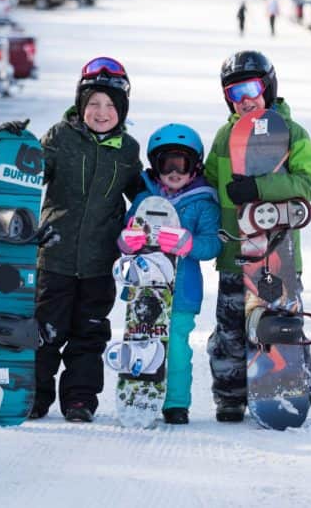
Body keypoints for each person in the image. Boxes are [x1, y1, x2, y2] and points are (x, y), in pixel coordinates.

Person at [0, 57, 144, 423]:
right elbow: (32, 172)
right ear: (81, 104)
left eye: (111, 105)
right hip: (55, 256)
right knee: (45, 332)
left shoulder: (127, 150)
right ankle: (35, 396)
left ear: (122, 110)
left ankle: (80, 400)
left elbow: (141, 195)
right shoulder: (60, 137)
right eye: (93, 102)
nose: (101, 111)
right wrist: (14, 144)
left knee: (89, 335)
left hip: (99, 262)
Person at [204, 51, 311, 421]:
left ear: (269, 87)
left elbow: (309, 181)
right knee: (229, 333)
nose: (244, 99)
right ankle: (230, 395)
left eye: (252, 88)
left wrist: (259, 187)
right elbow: (208, 182)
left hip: (277, 255)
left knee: (279, 324)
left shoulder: (293, 133)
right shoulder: (225, 136)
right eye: (234, 93)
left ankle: (291, 384)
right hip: (232, 254)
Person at [119, 124, 221, 425]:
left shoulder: (203, 202)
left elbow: (213, 243)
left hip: (182, 292)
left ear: (195, 167)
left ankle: (175, 402)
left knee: (175, 348)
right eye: (167, 164)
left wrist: (188, 243)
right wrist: (128, 241)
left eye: (183, 164)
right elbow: (126, 232)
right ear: (156, 165)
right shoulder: (143, 200)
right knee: (142, 342)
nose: (174, 172)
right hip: (145, 288)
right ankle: (140, 394)